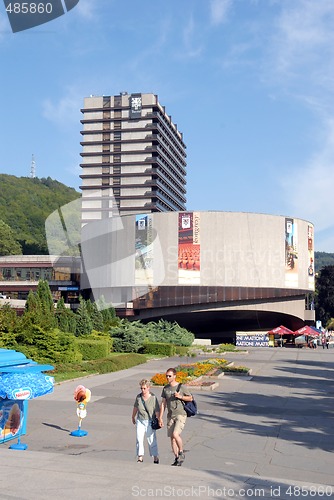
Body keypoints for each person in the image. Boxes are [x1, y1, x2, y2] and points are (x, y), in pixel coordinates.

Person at [158, 367, 193, 466]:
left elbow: (190, 398)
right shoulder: (166, 389)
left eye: (169, 376)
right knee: (172, 438)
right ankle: (177, 458)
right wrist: (160, 417)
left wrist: (180, 396)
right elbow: (163, 404)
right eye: (166, 376)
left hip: (180, 414)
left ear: (174, 376)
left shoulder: (181, 387)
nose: (167, 378)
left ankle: (181, 452)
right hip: (170, 415)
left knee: (175, 434)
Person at [132, 379, 160, 464]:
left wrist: (159, 419)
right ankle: (140, 457)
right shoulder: (139, 397)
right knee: (139, 438)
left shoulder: (153, 398)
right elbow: (136, 407)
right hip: (140, 420)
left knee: (151, 439)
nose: (142, 390)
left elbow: (157, 410)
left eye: (144, 388)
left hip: (149, 421)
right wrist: (133, 416)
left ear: (148, 388)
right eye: (141, 388)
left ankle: (155, 457)